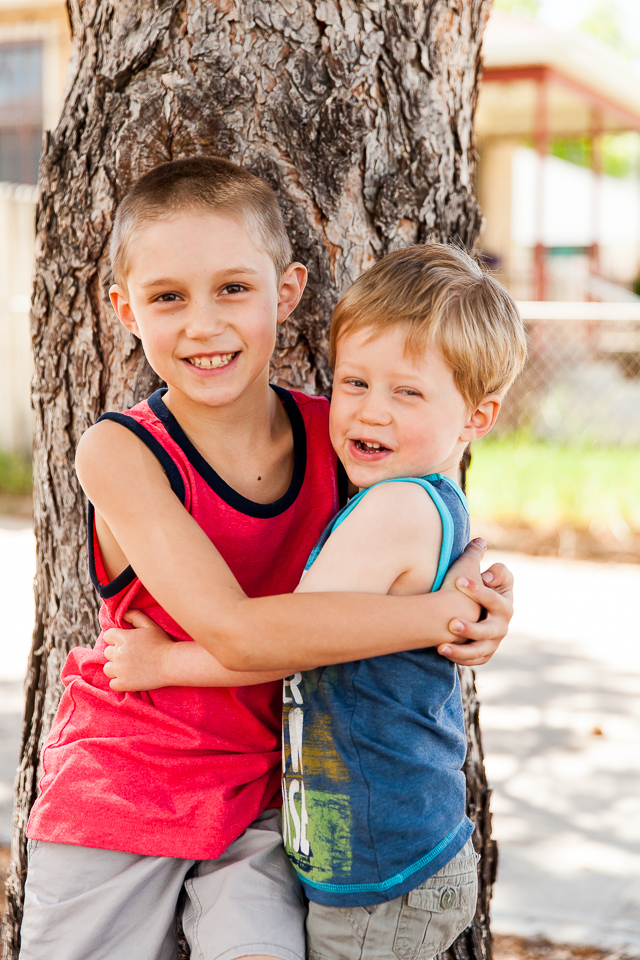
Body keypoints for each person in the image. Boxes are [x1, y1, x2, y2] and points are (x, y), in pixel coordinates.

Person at [20, 157, 513, 960]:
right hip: (124, 785)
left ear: (286, 293)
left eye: (233, 289)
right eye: (168, 297)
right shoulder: (119, 451)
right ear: (125, 309)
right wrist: (445, 614)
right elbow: (239, 636)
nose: (204, 325)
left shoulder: (345, 432)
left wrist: (488, 594)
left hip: (265, 799)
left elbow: (425, 529)